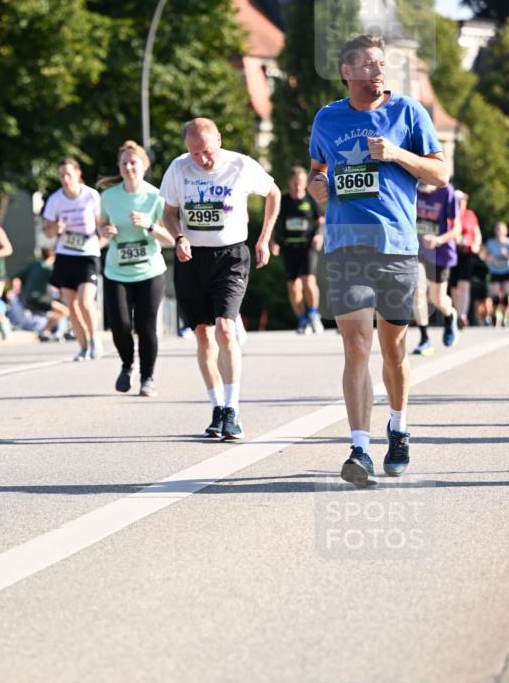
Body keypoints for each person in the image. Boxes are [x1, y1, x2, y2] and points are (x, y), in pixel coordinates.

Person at [308, 35, 448, 486]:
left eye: (381, 64)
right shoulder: (327, 118)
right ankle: (359, 448)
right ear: (346, 71)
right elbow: (317, 170)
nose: (377, 71)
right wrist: (316, 187)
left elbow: (441, 174)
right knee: (355, 347)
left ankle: (399, 428)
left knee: (393, 350)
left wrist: (397, 153)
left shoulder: (408, 112)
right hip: (346, 246)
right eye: (368, 65)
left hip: (396, 247)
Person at [161, 117, 280, 440]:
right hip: (191, 258)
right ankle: (216, 408)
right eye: (195, 153)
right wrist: (179, 237)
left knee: (226, 328)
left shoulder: (240, 165)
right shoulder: (179, 168)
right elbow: (169, 214)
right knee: (203, 334)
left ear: (219, 140)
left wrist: (263, 238)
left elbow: (273, 193)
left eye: (208, 151)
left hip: (230, 256)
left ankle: (232, 408)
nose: (202, 159)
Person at [98, 140, 174, 396]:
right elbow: (98, 233)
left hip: (149, 271)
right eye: (124, 163)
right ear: (119, 167)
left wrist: (150, 226)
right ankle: (127, 364)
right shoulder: (108, 197)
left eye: (133, 162)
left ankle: (147, 377)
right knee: (119, 323)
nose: (129, 167)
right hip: (116, 271)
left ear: (144, 166)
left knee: (145, 325)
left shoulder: (156, 196)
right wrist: (104, 232)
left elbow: (172, 239)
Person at [42, 157, 103, 360]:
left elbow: (101, 225)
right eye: (61, 175)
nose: (65, 179)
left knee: (85, 301)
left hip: (88, 255)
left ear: (78, 174)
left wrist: (102, 239)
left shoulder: (91, 196)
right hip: (66, 255)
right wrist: (55, 228)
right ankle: (84, 347)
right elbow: (48, 232)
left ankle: (95, 339)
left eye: (68, 174)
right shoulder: (55, 200)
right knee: (72, 306)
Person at [270, 164, 325, 334]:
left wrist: (319, 235)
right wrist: (272, 242)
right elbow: (271, 221)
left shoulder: (311, 200)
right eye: (295, 182)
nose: (298, 185)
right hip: (288, 247)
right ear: (289, 182)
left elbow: (321, 221)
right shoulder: (282, 201)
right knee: (294, 287)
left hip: (307, 246)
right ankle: (302, 320)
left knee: (309, 280)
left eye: (301, 182)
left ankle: (314, 314)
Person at [411, 181, 461, 355]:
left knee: (437, 298)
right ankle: (424, 339)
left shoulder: (446, 190)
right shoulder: (410, 184)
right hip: (415, 248)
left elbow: (457, 229)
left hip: (440, 251)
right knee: (417, 292)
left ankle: (450, 315)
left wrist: (438, 240)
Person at [449, 190, 482, 328]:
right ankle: (456, 313)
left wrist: (476, 244)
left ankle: (463, 315)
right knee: (455, 287)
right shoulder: (450, 215)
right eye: (458, 200)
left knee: (465, 285)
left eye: (462, 200)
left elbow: (477, 233)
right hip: (452, 252)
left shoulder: (470, 214)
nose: (460, 203)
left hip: (467, 254)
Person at [483, 220, 509, 326]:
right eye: (497, 229)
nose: (499, 232)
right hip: (494, 271)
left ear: (505, 231)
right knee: (495, 296)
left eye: (501, 230)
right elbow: (484, 255)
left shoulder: (508, 242)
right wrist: (488, 257)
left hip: (507, 271)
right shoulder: (490, 243)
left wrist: (506, 255)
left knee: (507, 296)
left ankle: (505, 317)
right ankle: (496, 315)